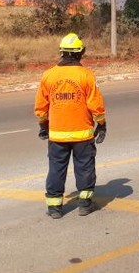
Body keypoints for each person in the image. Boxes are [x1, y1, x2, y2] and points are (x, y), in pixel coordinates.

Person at [34, 33, 107, 218]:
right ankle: (84, 204)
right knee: (84, 167)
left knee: (56, 168)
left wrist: (43, 126)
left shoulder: (48, 76)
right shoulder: (86, 75)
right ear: (80, 53)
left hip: (57, 135)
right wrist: (102, 125)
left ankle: (54, 207)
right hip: (82, 135)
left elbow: (41, 107)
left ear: (61, 53)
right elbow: (95, 105)